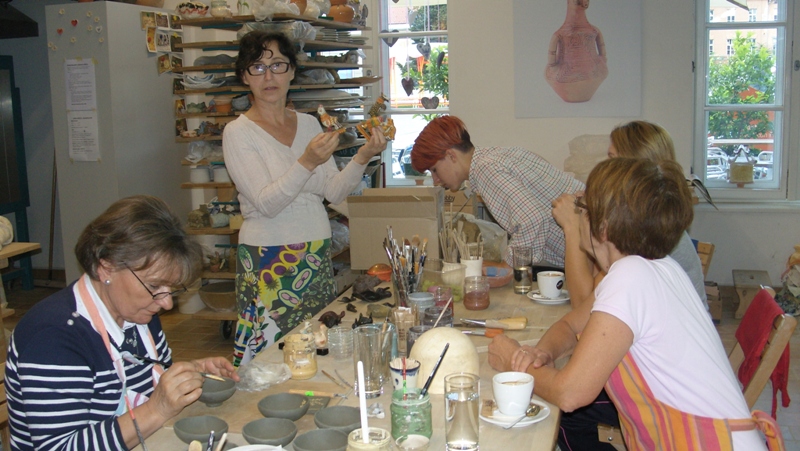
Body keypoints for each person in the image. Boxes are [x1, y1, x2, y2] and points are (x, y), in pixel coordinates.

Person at [489, 158, 779, 451]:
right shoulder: (653, 267)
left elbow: (570, 394)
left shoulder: (630, 277)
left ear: (603, 228)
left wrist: (515, 366)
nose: (578, 215)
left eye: (583, 208)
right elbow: (570, 324)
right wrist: (541, 353)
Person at [5, 195, 239, 451]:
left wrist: (186, 374)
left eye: (170, 289)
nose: (166, 303)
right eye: (154, 286)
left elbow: (143, 384)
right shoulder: (54, 338)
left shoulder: (139, 316)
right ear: (106, 268)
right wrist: (156, 410)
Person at [223, 31, 387, 366]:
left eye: (278, 65)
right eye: (257, 67)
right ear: (244, 76)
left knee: (317, 345)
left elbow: (333, 192)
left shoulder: (310, 124)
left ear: (292, 71)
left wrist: (363, 155)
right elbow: (267, 203)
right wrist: (307, 162)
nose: (269, 76)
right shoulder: (238, 133)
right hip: (268, 257)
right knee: (271, 356)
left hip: (315, 253)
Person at [552, 120, 707, 310]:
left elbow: (585, 306)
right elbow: (593, 281)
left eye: (612, 159)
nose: (606, 167)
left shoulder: (645, 228)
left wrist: (572, 226)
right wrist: (588, 215)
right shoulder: (638, 215)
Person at [410, 115, 584, 267]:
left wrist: (507, 266)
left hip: (589, 253)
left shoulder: (485, 170)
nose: (436, 180)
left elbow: (533, 219)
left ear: (451, 156)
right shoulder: (495, 156)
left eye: (434, 170)